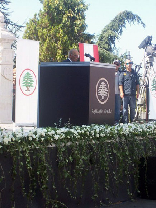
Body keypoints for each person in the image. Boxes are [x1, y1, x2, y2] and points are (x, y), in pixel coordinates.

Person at [119, 59, 139, 123]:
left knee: (133, 109)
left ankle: (132, 123)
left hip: (133, 94)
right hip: (125, 94)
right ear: (125, 64)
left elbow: (137, 83)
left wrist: (138, 92)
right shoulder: (122, 73)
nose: (129, 64)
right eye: (128, 63)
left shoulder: (135, 73)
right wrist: (121, 92)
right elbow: (120, 83)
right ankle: (125, 123)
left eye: (130, 63)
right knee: (125, 110)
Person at [114, 60, 121, 124]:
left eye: (117, 64)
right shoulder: (108, 72)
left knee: (117, 108)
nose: (116, 65)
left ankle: (116, 121)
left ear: (119, 66)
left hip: (118, 93)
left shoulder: (121, 73)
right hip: (110, 93)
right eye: (114, 64)